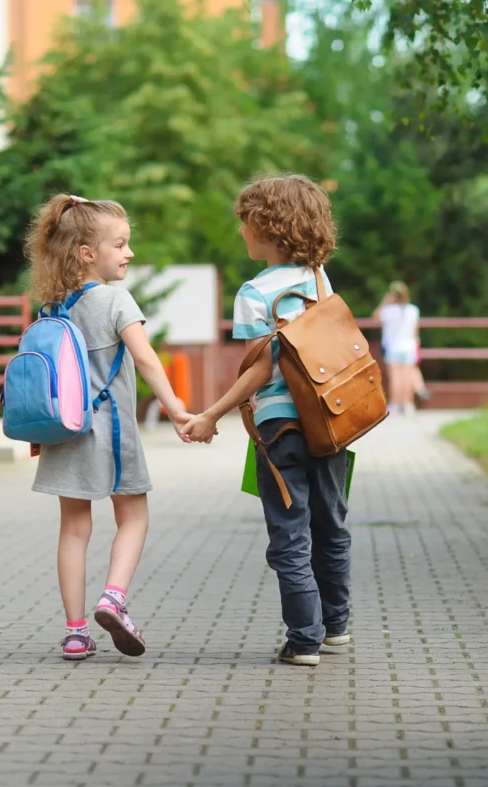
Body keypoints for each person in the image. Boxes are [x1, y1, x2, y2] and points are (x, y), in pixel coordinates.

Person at [180, 174, 351, 668]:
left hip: (279, 428)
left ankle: (304, 640)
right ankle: (336, 627)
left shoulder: (254, 293)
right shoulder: (319, 279)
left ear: (270, 227)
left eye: (246, 222)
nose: (241, 231)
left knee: (290, 535)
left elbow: (259, 370)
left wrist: (210, 415)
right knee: (331, 524)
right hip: (330, 421)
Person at [25, 194, 193, 661]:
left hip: (64, 434)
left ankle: (75, 633)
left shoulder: (53, 308)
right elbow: (146, 358)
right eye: (119, 245)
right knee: (134, 517)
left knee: (73, 530)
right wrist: (176, 409)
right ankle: (113, 599)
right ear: (86, 253)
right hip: (114, 434)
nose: (129, 253)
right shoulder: (116, 300)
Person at [376, 281, 421, 415]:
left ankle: (395, 404)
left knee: (395, 378)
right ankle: (408, 404)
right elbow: (415, 331)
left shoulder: (388, 311)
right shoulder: (413, 310)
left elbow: (375, 317)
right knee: (407, 377)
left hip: (393, 347)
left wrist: (384, 302)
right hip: (409, 346)